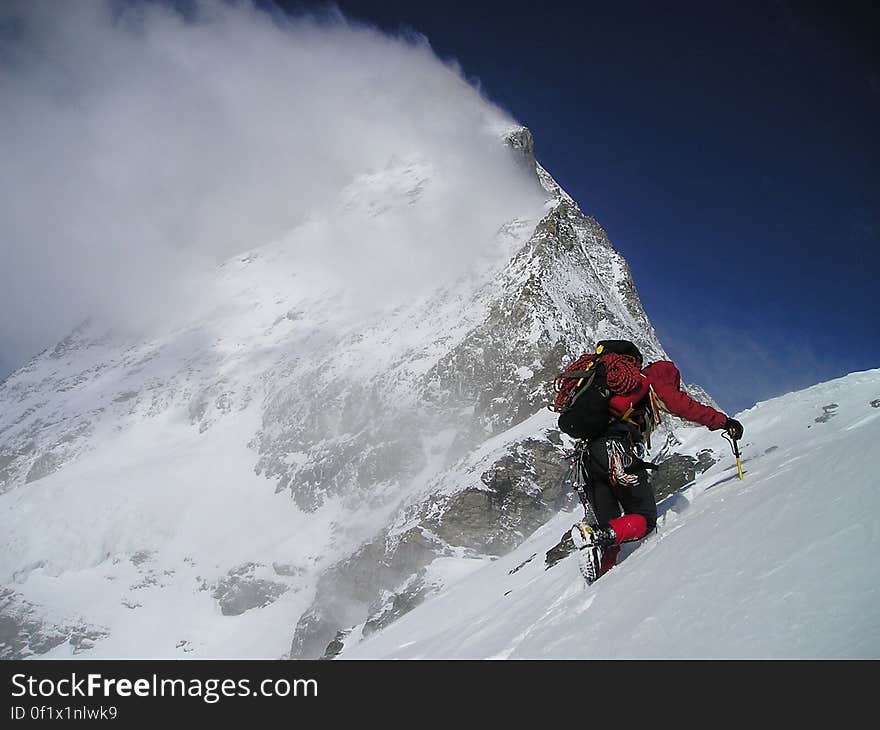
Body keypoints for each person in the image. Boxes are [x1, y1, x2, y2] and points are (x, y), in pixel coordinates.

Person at [568, 340, 744, 582]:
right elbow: (685, 406)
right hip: (615, 451)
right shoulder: (650, 379)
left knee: (613, 527)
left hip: (585, 460)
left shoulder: (606, 385)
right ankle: (594, 537)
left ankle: (603, 579)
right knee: (644, 517)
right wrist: (724, 422)